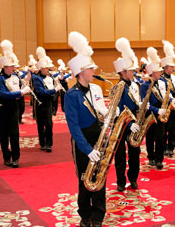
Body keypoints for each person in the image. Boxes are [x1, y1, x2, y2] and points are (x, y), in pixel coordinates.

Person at [64, 31, 108, 227]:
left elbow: (102, 112)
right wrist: (88, 149)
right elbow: (73, 127)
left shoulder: (96, 89)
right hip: (82, 142)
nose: (94, 72)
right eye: (91, 69)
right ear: (81, 72)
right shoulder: (71, 95)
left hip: (99, 136)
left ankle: (98, 215)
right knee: (84, 178)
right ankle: (85, 214)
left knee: (101, 175)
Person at [0, 40, 31, 168]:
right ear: (5, 67)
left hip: (13, 108)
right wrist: (21, 93)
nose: (14, 68)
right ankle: (6, 157)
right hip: (3, 108)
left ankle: (16, 158)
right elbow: (3, 94)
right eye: (11, 66)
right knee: (4, 135)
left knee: (14, 134)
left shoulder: (16, 76)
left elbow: (21, 86)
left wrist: (26, 81)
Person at [113, 37, 141, 192]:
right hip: (121, 124)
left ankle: (133, 178)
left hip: (134, 123)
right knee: (120, 156)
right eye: (131, 70)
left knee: (135, 153)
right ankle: (121, 181)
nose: (133, 72)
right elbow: (118, 110)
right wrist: (130, 123)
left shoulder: (135, 85)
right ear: (123, 72)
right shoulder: (119, 87)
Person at [141, 47, 168, 169]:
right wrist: (156, 110)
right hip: (150, 113)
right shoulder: (144, 85)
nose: (161, 73)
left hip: (160, 112)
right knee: (150, 136)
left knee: (161, 137)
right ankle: (151, 157)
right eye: (158, 72)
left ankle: (159, 159)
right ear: (152, 73)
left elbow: (165, 96)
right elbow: (144, 103)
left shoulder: (162, 82)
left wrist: (172, 100)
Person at [33, 47, 62, 152]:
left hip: (48, 102)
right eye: (45, 68)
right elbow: (41, 92)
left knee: (49, 123)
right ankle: (42, 143)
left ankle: (49, 144)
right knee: (40, 124)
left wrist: (57, 85)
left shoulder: (50, 77)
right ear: (41, 69)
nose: (47, 70)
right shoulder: (36, 78)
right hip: (40, 103)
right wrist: (54, 90)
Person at [160, 40, 175, 157]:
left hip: (173, 105)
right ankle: (164, 147)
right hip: (165, 105)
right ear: (166, 67)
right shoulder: (161, 78)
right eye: (172, 66)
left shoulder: (173, 77)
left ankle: (171, 146)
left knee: (172, 127)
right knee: (164, 127)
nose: (173, 68)